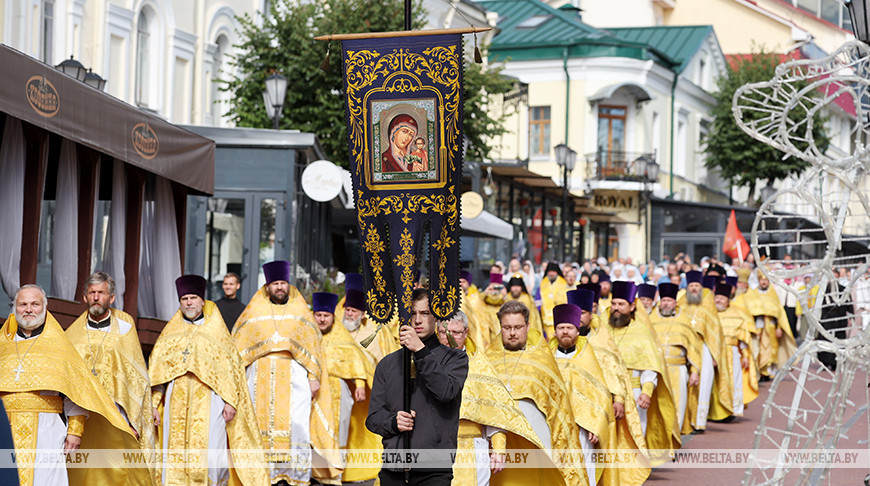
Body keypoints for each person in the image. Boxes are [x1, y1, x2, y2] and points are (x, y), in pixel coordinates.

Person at [0, 284, 146, 486]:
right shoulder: (2, 344)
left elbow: (77, 392)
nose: (28, 309)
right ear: (14, 308)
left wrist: (75, 431)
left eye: (35, 304)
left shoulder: (59, 345)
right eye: (22, 304)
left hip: (46, 429)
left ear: (45, 307)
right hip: (5, 426)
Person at [150, 275, 267, 485]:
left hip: (210, 400)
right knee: (173, 454)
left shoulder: (216, 331)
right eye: (184, 298)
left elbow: (231, 369)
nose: (189, 302)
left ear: (202, 300)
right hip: (176, 400)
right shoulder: (170, 333)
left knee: (211, 453)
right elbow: (158, 373)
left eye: (193, 297)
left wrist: (231, 402)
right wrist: (153, 404)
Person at [232, 261, 341, 484]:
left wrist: (313, 378)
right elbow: (238, 346)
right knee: (259, 427)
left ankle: (295, 477)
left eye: (282, 283)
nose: (279, 288)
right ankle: (263, 476)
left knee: (297, 428)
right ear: (268, 286)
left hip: (294, 379)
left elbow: (314, 347)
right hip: (258, 378)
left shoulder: (299, 310)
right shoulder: (254, 310)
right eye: (275, 284)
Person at [436, 311, 555, 486]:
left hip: (474, 446)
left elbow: (496, 410)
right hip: (435, 444)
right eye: (443, 332)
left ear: (466, 332)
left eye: (456, 332)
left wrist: (499, 448)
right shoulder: (427, 362)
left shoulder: (479, 364)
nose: (449, 337)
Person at [367, 288, 469, 485]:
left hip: (434, 468)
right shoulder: (388, 364)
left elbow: (446, 391)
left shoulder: (454, 358)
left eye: (425, 313)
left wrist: (420, 351)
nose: (417, 320)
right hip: (393, 468)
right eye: (412, 313)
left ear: (437, 317)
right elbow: (373, 418)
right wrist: (393, 422)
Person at [65, 272, 157, 481]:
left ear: (112, 298)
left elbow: (136, 377)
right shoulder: (72, 334)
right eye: (92, 293)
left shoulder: (125, 327)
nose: (96, 297)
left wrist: (133, 421)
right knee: (83, 472)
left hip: (117, 414)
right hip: (84, 415)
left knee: (118, 471)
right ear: (85, 297)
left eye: (101, 293)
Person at [485, 300, 585, 485]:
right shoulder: (488, 358)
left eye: (517, 327)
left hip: (536, 443)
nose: (513, 333)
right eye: (507, 327)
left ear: (528, 326)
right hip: (501, 444)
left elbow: (559, 405)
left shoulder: (542, 358)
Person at [566, 288, 650, 486]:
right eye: (574, 311)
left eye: (583, 313)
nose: (578, 317)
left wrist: (619, 399)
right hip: (568, 408)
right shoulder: (562, 342)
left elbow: (615, 371)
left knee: (594, 459)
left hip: (598, 410)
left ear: (590, 314)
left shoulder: (601, 340)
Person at [604, 281, 679, 466]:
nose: (616, 308)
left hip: (634, 392)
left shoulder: (642, 332)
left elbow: (650, 366)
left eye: (621, 304)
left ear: (632, 306)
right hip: (605, 391)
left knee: (635, 434)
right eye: (614, 304)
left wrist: (647, 392)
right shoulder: (602, 330)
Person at [312, 292, 382, 484]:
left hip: (338, 393)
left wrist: (360, 384)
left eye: (326, 315)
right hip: (312, 394)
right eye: (318, 315)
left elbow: (356, 360)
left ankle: (335, 476)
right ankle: (314, 476)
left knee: (337, 432)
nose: (322, 319)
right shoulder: (307, 333)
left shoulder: (340, 335)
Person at [552, 303, 614, 486]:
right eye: (561, 328)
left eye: (569, 328)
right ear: (555, 331)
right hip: (554, 425)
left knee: (586, 469)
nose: (565, 332)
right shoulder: (546, 357)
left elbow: (600, 393)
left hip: (582, 427)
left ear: (577, 331)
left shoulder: (588, 356)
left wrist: (595, 425)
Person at [648, 283, 702, 434]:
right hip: (656, 369)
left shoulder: (684, 321)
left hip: (677, 369)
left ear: (675, 303)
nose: (665, 304)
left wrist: (695, 371)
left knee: (677, 404)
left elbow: (694, 347)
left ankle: (673, 440)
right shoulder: (651, 320)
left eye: (669, 301)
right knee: (657, 405)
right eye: (663, 300)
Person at [681, 270, 731, 430]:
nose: (694, 288)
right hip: (685, 348)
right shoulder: (681, 303)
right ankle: (686, 419)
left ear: (701, 287)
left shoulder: (708, 303)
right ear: (687, 287)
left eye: (696, 285)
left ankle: (699, 421)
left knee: (704, 383)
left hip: (704, 347)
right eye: (691, 286)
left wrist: (714, 355)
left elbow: (715, 331)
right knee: (684, 383)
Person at [733, 269, 797, 379]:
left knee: (771, 351)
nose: (763, 282)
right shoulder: (752, 294)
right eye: (762, 280)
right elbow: (749, 310)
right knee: (758, 351)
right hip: (758, 327)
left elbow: (780, 313)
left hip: (771, 328)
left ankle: (769, 372)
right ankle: (759, 372)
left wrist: (779, 328)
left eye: (766, 280)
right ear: (758, 281)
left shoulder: (773, 295)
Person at [714, 283, 758, 414]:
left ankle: (734, 408)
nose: (718, 300)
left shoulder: (736, 316)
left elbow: (743, 338)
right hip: (715, 352)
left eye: (722, 298)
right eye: (717, 298)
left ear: (728, 301)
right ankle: (718, 410)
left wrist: (745, 356)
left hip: (732, 351)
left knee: (734, 380)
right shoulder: (711, 315)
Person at [335, 274, 399, 363]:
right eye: (347, 310)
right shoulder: (337, 319)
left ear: (362, 314)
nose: (349, 314)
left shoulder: (377, 328)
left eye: (353, 311)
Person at [539, 262, 569, 338]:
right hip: (545, 316)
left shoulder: (563, 283)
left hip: (559, 315)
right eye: (550, 271)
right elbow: (538, 297)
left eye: (553, 271)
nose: (551, 274)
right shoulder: (543, 282)